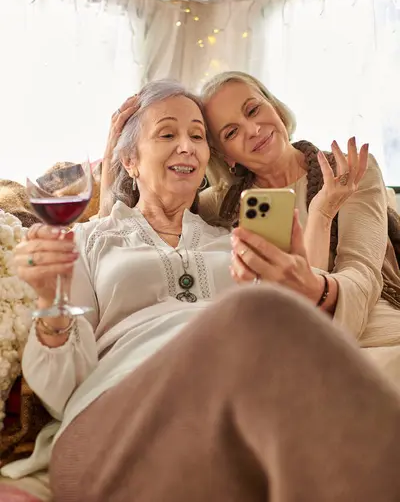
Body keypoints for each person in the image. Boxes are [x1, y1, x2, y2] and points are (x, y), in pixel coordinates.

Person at [13, 80, 400, 501]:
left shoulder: (229, 235)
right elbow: (59, 393)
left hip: (227, 417)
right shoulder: (88, 242)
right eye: (167, 134)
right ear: (129, 159)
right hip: (116, 421)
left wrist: (298, 263)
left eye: (198, 136)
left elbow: (290, 337)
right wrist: (51, 304)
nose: (188, 147)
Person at [199, 70, 400, 384]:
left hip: (376, 332)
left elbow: (362, 276)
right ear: (226, 155)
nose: (252, 130)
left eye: (253, 110)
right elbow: (146, 208)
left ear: (274, 107)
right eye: (231, 132)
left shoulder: (348, 172)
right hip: (291, 348)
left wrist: (322, 212)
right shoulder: (218, 207)